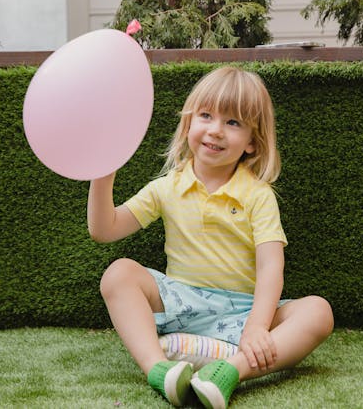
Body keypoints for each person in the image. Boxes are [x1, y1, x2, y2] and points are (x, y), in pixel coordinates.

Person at [87, 66, 334, 408]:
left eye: (233, 123)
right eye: (206, 115)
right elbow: (104, 229)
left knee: (318, 312)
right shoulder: (168, 187)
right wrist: (102, 175)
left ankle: (229, 371)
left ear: (251, 142)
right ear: (189, 123)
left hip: (243, 315)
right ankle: (159, 370)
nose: (216, 131)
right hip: (181, 304)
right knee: (118, 273)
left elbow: (270, 269)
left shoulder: (258, 195)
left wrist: (257, 328)